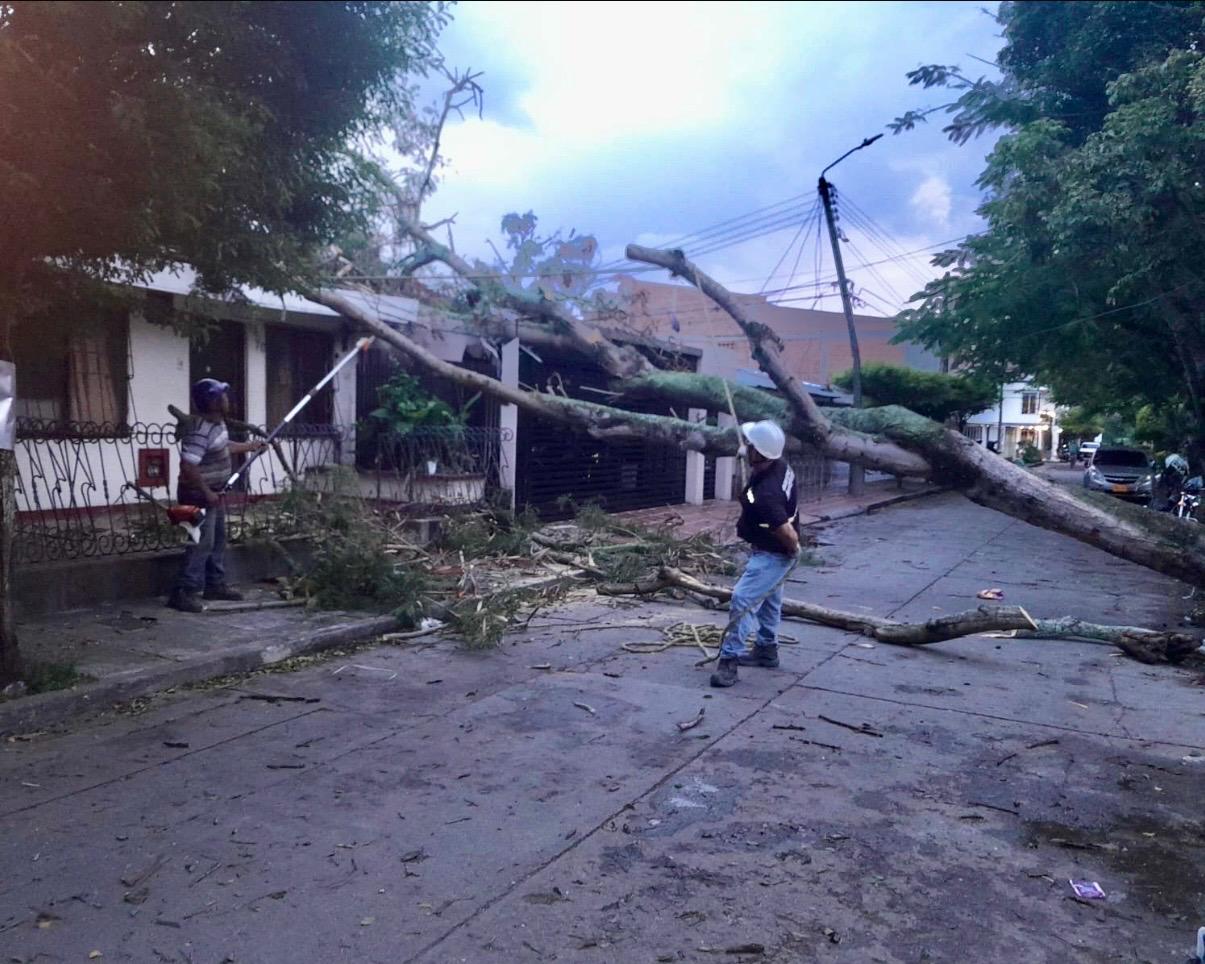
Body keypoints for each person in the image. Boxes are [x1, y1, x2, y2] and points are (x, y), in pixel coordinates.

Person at [711, 420, 801, 688]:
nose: (746, 446)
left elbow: (785, 531)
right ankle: (766, 649)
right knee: (770, 600)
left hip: (773, 553)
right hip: (773, 551)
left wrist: (793, 549)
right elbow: (751, 497)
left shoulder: (766, 496)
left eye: (750, 445)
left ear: (759, 453)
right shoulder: (777, 466)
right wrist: (747, 496)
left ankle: (729, 660)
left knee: (743, 599)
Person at [167, 379, 264, 613]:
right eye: (222, 396)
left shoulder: (218, 424)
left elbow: (222, 446)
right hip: (197, 495)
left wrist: (251, 446)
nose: (227, 400)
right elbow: (189, 467)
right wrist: (207, 492)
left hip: (216, 492)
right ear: (212, 401)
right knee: (201, 542)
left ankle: (215, 584)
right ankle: (184, 592)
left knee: (218, 539)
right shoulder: (199, 430)